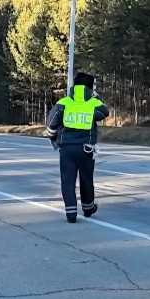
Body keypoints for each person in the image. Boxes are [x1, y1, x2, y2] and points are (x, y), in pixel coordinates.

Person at [46, 72, 110, 223]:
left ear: (74, 85)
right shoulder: (93, 103)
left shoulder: (64, 103)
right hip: (86, 148)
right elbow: (104, 113)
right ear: (91, 87)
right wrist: (94, 98)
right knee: (86, 178)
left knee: (67, 180)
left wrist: (53, 138)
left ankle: (71, 213)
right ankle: (88, 208)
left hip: (67, 148)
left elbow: (51, 123)